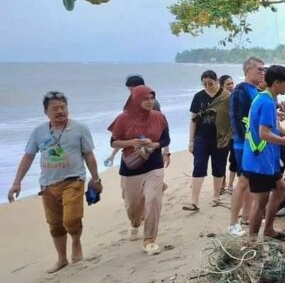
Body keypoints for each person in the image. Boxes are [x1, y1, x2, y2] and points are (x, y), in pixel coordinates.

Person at [8, 91, 102, 273]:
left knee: (71, 219)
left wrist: (96, 178)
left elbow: (89, 155)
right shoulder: (39, 132)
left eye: (63, 107)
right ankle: (61, 258)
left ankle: (76, 241)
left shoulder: (80, 129)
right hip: (48, 185)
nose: (60, 111)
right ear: (46, 112)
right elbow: (28, 157)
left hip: (73, 180)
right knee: (55, 224)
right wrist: (17, 182)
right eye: (55, 108)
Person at [242, 65, 285, 239]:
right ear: (276, 83)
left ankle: (269, 229)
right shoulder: (266, 102)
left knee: (281, 188)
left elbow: (275, 127)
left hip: (268, 159)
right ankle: (252, 240)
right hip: (259, 161)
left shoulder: (267, 98)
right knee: (260, 202)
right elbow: (264, 133)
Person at [108, 85, 170, 255]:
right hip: (131, 168)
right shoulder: (123, 119)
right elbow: (113, 142)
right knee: (132, 206)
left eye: (152, 98)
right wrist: (132, 143)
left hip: (154, 166)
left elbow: (165, 139)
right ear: (136, 100)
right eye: (146, 99)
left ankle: (149, 240)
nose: (150, 102)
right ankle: (135, 223)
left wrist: (155, 145)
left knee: (153, 200)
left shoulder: (159, 117)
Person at [184, 70, 231, 211]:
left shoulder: (227, 96)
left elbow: (232, 117)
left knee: (219, 167)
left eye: (210, 83)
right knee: (198, 167)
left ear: (217, 81)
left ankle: (216, 196)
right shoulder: (198, 97)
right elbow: (193, 119)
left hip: (221, 138)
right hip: (201, 138)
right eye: (204, 84)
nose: (207, 86)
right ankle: (194, 201)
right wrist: (191, 141)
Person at [227, 57, 264, 237]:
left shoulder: (256, 91)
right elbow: (236, 119)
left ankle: (247, 216)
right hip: (243, 144)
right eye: (259, 69)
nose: (262, 73)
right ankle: (233, 223)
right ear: (247, 71)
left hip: (255, 142)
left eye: (263, 70)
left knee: (250, 180)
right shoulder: (239, 92)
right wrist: (247, 141)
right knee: (242, 181)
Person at [218, 75, 237, 192]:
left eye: (231, 83)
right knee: (221, 160)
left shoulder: (236, 96)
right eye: (227, 84)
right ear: (221, 86)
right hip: (222, 135)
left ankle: (230, 185)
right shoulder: (219, 99)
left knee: (234, 160)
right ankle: (222, 184)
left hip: (235, 134)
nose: (230, 86)